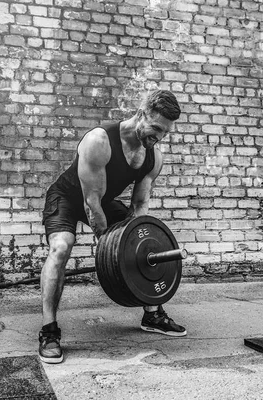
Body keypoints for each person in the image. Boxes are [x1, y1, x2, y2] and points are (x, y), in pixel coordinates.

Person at [38, 90, 186, 364]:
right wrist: (109, 249)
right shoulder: (100, 141)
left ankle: (152, 314)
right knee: (61, 247)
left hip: (103, 199)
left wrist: (132, 244)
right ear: (141, 114)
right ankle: (49, 331)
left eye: (164, 133)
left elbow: (140, 205)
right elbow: (90, 203)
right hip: (68, 197)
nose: (158, 137)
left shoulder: (154, 157)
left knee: (137, 238)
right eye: (155, 128)